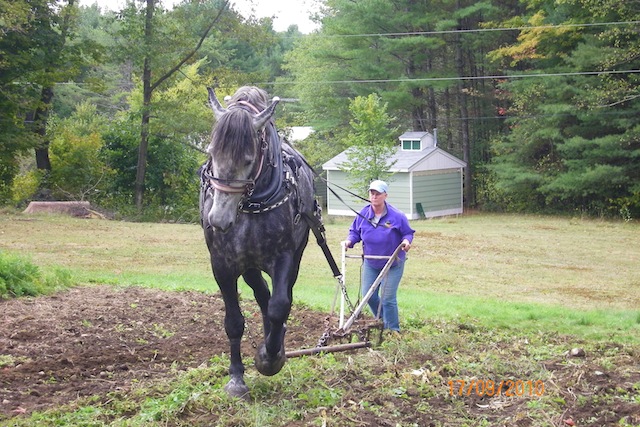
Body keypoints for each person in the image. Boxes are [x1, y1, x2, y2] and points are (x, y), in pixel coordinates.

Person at [343, 180, 415, 332]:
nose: (374, 196)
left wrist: (406, 242)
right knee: (368, 296)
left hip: (393, 262)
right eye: (372, 193)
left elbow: (408, 233)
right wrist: (349, 241)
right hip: (371, 262)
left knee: (388, 298)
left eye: (378, 194)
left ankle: (393, 330)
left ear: (385, 196)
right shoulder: (363, 214)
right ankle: (383, 318)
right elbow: (355, 232)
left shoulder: (397, 215)